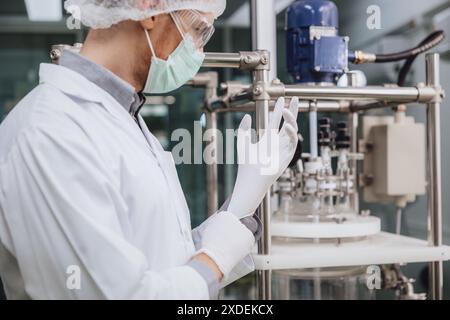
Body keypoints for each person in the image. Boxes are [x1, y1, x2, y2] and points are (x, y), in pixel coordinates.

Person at [0, 0, 299, 299]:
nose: (198, 51)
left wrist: (240, 205)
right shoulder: (51, 134)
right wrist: (216, 258)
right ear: (151, 10)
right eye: (197, 29)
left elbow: (164, 263)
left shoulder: (125, 118)